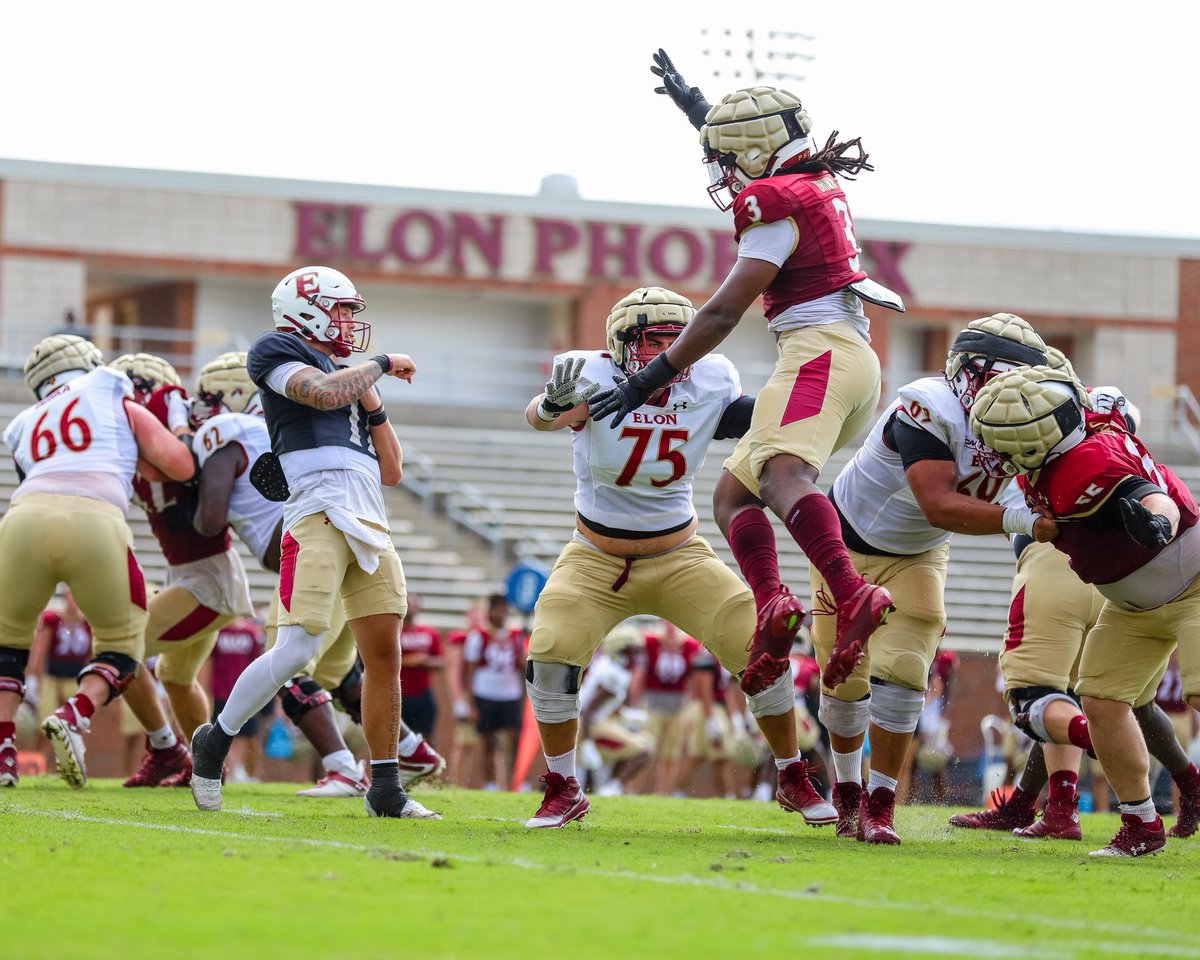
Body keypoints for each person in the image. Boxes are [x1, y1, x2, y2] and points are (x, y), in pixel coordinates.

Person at [589, 53, 904, 708]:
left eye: (733, 157)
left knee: (785, 478)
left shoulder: (772, 200)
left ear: (759, 152)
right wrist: (699, 110)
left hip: (820, 352)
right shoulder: (811, 181)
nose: (729, 175)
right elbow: (760, 158)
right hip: (843, 357)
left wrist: (651, 377)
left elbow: (722, 311)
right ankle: (774, 606)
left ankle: (851, 593)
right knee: (734, 494)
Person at [523, 286, 833, 829]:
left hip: (680, 553)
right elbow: (542, 417)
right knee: (550, 650)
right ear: (621, 346)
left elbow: (747, 419)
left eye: (678, 338)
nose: (670, 350)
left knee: (761, 647)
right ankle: (562, 785)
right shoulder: (588, 374)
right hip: (596, 556)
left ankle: (791, 772)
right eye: (655, 340)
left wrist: (803, 396)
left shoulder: (712, 378)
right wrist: (547, 406)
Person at [187, 264, 437, 819]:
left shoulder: (349, 375)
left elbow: (391, 468)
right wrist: (379, 366)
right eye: (344, 310)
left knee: (384, 657)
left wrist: (375, 399)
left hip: (369, 517)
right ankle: (216, 740)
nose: (351, 322)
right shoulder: (275, 351)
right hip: (318, 511)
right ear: (308, 309)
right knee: (298, 647)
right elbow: (323, 395)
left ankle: (386, 789)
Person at [811, 314, 1055, 844]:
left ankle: (880, 804)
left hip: (918, 554)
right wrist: (1026, 522)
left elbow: (1021, 510)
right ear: (970, 374)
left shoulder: (1025, 427)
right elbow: (939, 503)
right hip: (842, 547)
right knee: (843, 683)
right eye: (1006, 377)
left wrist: (1037, 558)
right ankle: (847, 790)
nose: (1018, 392)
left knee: (903, 668)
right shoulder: (928, 406)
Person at [971, 364, 1200, 856]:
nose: (993, 451)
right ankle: (1141, 823)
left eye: (1002, 440)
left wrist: (1156, 522)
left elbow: (1152, 498)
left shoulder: (1084, 463)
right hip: (1131, 604)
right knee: (1098, 699)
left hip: (1191, 584)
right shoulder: (1075, 428)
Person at [0, 334, 194, 787]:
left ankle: (4, 752)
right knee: (124, 648)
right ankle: (77, 711)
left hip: (22, 521)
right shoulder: (110, 388)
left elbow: (35, 477)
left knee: (7, 648)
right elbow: (179, 465)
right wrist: (182, 424)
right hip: (95, 519)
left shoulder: (24, 422)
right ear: (89, 363)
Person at [110, 352, 255, 788]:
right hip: (191, 578)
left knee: (119, 650)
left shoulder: (187, 436)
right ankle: (205, 765)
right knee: (175, 677)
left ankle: (163, 749)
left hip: (209, 579)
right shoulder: (137, 456)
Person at [578, 624, 653, 796]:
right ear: (620, 650)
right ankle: (612, 788)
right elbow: (588, 710)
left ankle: (606, 788)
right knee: (644, 750)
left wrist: (626, 715)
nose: (637, 656)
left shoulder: (613, 667)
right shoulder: (611, 672)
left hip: (595, 722)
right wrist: (588, 743)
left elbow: (609, 702)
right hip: (588, 725)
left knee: (592, 773)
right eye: (633, 651)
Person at [463, 593, 527, 791]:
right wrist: (470, 703)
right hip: (486, 693)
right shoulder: (478, 636)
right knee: (489, 741)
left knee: (514, 739)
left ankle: (513, 781)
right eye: (496, 608)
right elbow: (470, 670)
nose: (500, 613)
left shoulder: (516, 636)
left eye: (503, 608)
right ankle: (490, 783)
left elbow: (524, 667)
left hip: (510, 694)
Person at [638, 619, 702, 794]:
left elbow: (694, 674)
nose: (670, 628)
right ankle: (634, 789)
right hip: (654, 703)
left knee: (671, 753)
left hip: (677, 704)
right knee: (648, 750)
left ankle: (664, 791)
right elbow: (639, 638)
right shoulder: (652, 642)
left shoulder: (688, 646)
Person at [208, 615, 267, 782]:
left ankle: (249, 773)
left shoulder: (250, 632)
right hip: (220, 692)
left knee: (249, 735)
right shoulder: (218, 632)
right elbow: (209, 662)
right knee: (224, 733)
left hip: (245, 693)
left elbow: (256, 662)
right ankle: (232, 770)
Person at [399, 594, 444, 740]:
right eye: (407, 603)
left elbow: (440, 662)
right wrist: (408, 660)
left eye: (412, 603)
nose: (410, 606)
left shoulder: (429, 633)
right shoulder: (393, 632)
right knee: (398, 739)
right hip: (398, 693)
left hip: (422, 692)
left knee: (427, 737)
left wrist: (425, 661)